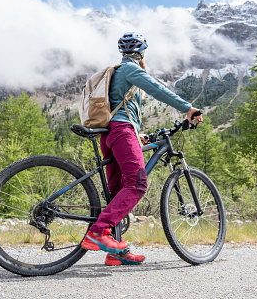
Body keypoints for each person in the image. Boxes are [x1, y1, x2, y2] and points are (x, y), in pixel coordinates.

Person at [81, 32, 202, 266]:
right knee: (137, 184)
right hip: (120, 132)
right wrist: (188, 108)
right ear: (142, 52)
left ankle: (115, 252)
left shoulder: (118, 72)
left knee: (118, 194)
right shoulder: (129, 69)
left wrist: (137, 135)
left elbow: (122, 108)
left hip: (112, 134)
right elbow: (157, 89)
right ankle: (98, 232)